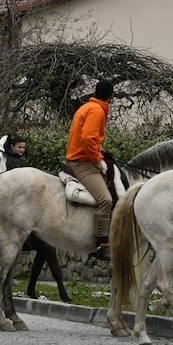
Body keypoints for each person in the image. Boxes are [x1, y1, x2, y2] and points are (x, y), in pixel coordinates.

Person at [3, 135, 72, 303]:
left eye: (23, 147)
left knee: (45, 250)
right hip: (15, 205)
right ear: (11, 147)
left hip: (28, 205)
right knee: (45, 248)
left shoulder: (25, 163)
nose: (22, 150)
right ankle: (61, 289)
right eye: (19, 147)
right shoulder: (7, 162)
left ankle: (31, 286)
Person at [65, 79, 114, 260]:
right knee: (106, 200)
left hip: (82, 158)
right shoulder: (97, 110)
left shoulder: (87, 107)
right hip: (83, 162)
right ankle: (102, 243)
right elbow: (88, 139)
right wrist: (98, 160)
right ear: (111, 96)